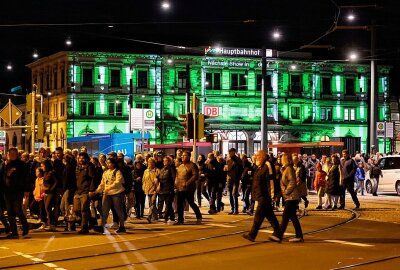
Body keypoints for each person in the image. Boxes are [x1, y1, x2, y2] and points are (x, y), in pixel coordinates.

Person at [242, 150, 282, 242]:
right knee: (270, 216)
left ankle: (252, 235)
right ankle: (278, 232)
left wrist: (272, 194)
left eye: (257, 156)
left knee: (258, 216)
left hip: (265, 196)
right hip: (260, 195)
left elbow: (271, 181)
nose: (255, 157)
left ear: (262, 156)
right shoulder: (259, 166)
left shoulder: (267, 165)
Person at [2, 148, 30, 238]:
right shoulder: (6, 164)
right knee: (10, 212)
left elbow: (26, 178)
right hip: (7, 191)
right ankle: (14, 232)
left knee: (17, 210)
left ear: (17, 154)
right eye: (11, 153)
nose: (12, 155)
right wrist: (5, 167)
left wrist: (26, 190)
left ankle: (25, 227)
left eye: (14, 153)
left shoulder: (21, 164)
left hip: (17, 191)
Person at [93, 158, 126, 234]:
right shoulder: (106, 172)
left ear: (114, 164)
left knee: (118, 210)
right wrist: (97, 191)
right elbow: (102, 183)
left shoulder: (117, 172)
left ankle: (122, 226)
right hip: (107, 193)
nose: (108, 164)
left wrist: (108, 188)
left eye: (110, 163)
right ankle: (102, 226)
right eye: (107, 163)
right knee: (104, 210)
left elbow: (118, 182)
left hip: (116, 193)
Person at [280, 153, 303, 242]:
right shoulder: (286, 168)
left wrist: (286, 192)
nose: (281, 160)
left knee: (285, 216)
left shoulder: (289, 169)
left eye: (282, 158)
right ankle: (299, 236)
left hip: (291, 196)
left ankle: (279, 235)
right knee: (292, 217)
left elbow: (292, 182)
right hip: (290, 196)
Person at [174, 151, 202, 225]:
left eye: (185, 155)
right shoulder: (180, 166)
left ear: (189, 156)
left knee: (191, 203)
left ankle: (199, 217)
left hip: (189, 188)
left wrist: (187, 183)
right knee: (179, 204)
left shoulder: (192, 165)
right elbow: (177, 176)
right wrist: (176, 185)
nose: (182, 157)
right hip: (180, 188)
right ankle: (180, 219)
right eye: (182, 155)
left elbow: (195, 175)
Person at [74, 152, 96, 234]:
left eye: (83, 158)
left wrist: (91, 190)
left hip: (86, 191)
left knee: (84, 209)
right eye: (80, 158)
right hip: (78, 191)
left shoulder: (89, 167)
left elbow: (93, 179)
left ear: (86, 158)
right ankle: (91, 220)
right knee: (76, 209)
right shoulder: (77, 167)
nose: (81, 159)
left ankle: (84, 227)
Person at [42, 159, 59, 232]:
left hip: (51, 192)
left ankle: (52, 223)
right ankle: (50, 223)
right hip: (46, 192)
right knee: (46, 208)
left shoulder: (52, 173)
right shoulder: (45, 173)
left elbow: (56, 182)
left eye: (43, 166)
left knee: (48, 207)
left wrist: (51, 189)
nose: (42, 167)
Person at [158, 156, 176, 223]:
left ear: (169, 161)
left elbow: (174, 178)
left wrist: (174, 187)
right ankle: (172, 218)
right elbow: (159, 177)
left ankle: (165, 217)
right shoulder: (162, 169)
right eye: (164, 160)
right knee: (168, 204)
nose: (165, 162)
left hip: (169, 189)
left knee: (168, 204)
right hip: (163, 189)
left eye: (166, 161)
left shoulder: (171, 169)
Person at [142, 158, 160, 223]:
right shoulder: (146, 171)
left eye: (151, 162)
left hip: (154, 189)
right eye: (149, 162)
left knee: (153, 202)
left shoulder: (157, 171)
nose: (150, 163)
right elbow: (144, 180)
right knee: (151, 204)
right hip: (147, 189)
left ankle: (149, 216)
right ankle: (155, 217)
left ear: (154, 163)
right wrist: (143, 187)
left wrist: (158, 187)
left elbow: (160, 180)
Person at [225, 148, 242, 215]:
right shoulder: (228, 160)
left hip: (235, 179)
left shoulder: (237, 160)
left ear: (234, 152)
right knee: (230, 195)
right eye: (229, 152)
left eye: (231, 152)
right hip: (229, 179)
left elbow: (241, 168)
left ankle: (236, 210)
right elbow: (226, 168)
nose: (230, 154)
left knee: (234, 194)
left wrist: (239, 176)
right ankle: (232, 209)